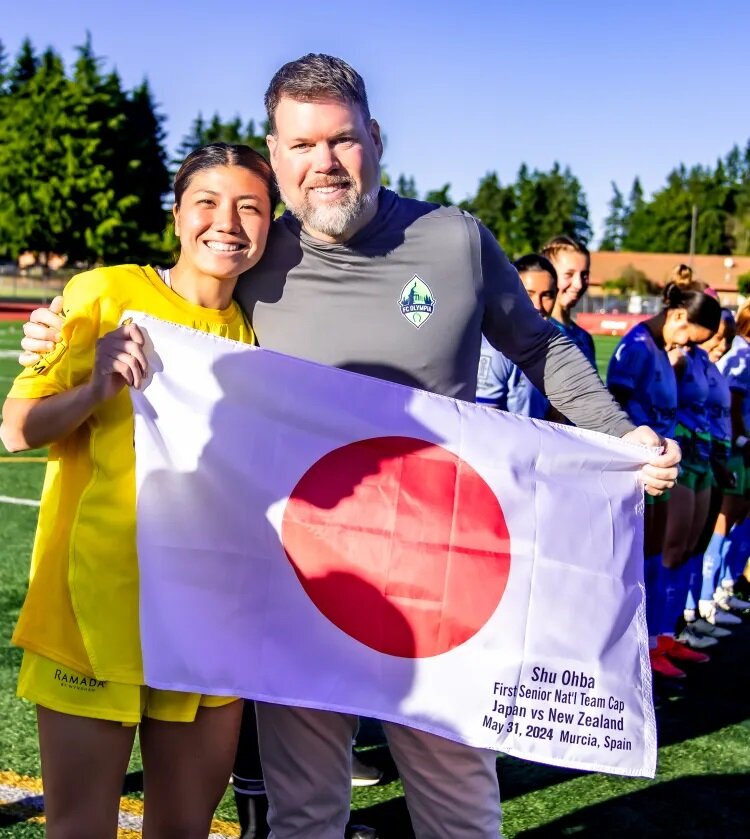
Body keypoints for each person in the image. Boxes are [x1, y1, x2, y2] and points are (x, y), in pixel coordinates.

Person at [16, 53, 680, 839]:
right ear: (275, 156)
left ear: (377, 138)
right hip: (299, 577)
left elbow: (541, 346)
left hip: (444, 575)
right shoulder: (262, 261)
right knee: (305, 809)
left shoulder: (454, 240)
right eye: (300, 146)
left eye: (342, 140)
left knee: (458, 803)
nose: (323, 163)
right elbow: (172, 297)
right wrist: (55, 333)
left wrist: (617, 433)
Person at [1, 143, 276, 839]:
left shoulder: (263, 330)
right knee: (79, 828)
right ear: (178, 216)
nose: (229, 222)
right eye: (208, 202)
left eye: (251, 206)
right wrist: (95, 382)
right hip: (92, 611)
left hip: (209, 622)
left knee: (181, 831)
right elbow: (16, 431)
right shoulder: (104, 292)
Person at [607, 280, 720, 679]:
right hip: (637, 470)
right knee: (639, 557)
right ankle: (632, 649)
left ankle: (655, 641)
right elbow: (614, 405)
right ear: (675, 316)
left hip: (659, 467)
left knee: (655, 553)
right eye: (689, 334)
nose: (689, 344)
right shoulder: (636, 347)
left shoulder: (663, 348)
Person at [476, 253, 556, 418]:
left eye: (547, 295)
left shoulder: (554, 343)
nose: (538, 305)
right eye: (529, 293)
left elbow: (556, 417)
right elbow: (483, 422)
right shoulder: (495, 349)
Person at [541, 235, 596, 369]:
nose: (579, 284)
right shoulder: (539, 333)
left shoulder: (584, 338)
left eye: (584, 275)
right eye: (569, 274)